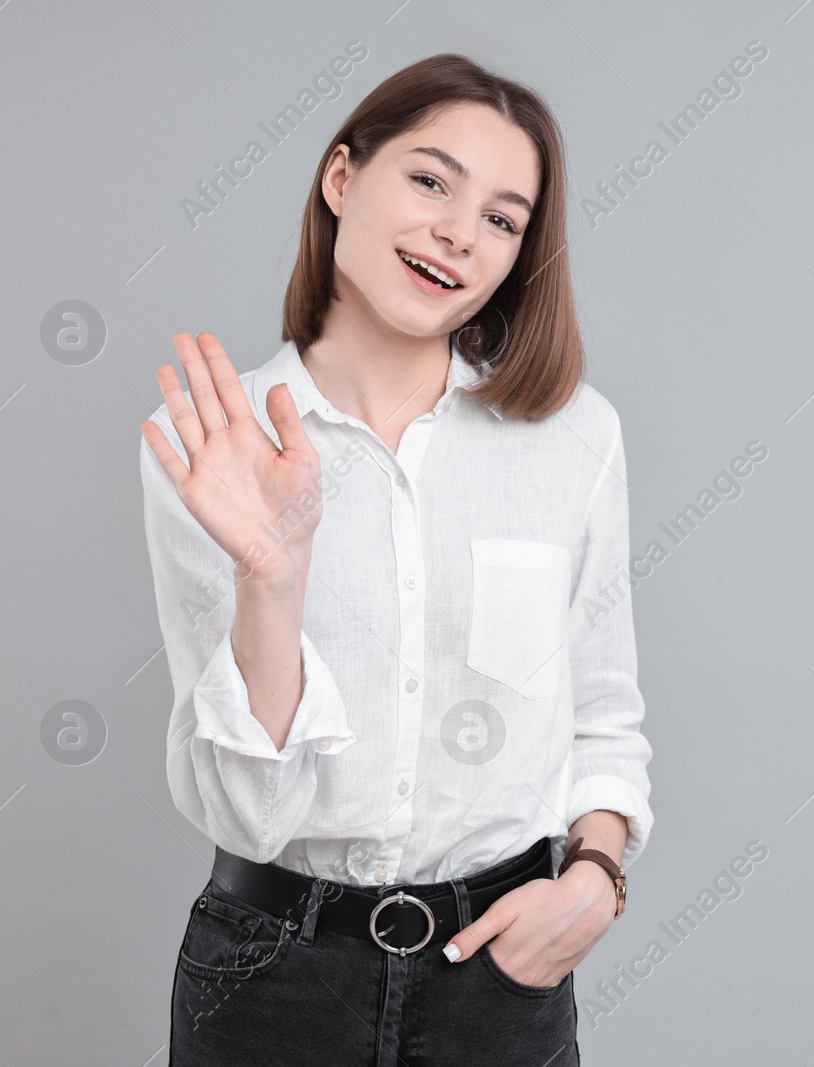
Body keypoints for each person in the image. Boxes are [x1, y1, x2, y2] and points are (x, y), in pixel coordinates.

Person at [138, 53, 651, 1065]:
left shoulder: (573, 439)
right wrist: (271, 579)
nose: (460, 233)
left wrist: (594, 875)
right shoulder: (212, 442)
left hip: (499, 978)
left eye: (503, 218)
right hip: (271, 976)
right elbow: (251, 809)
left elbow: (603, 710)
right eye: (430, 180)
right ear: (341, 179)